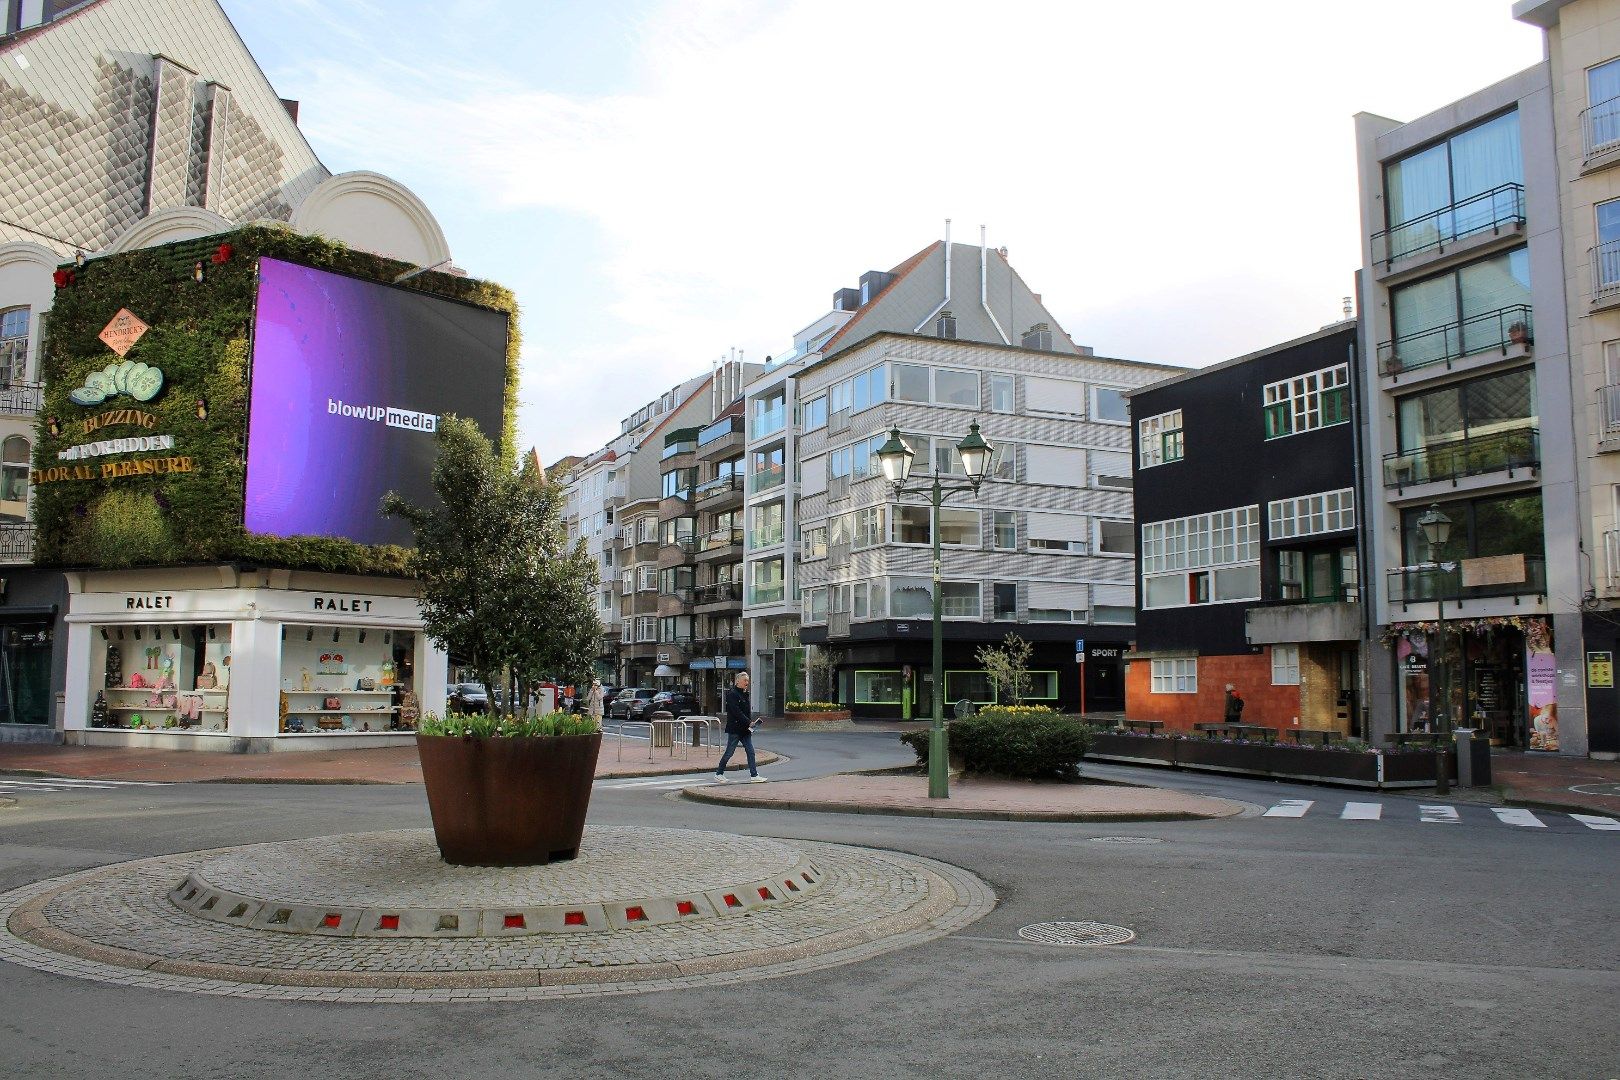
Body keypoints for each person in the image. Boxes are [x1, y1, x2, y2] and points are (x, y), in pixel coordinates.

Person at [715, 670, 765, 783]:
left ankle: (754, 775)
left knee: (751, 751)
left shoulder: (745, 694)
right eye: (744, 680)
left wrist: (750, 723)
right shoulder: (732, 694)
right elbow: (736, 712)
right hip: (735, 729)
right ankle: (719, 773)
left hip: (745, 729)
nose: (747, 682)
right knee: (729, 752)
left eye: (747, 680)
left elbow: (745, 711)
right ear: (738, 681)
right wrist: (749, 722)